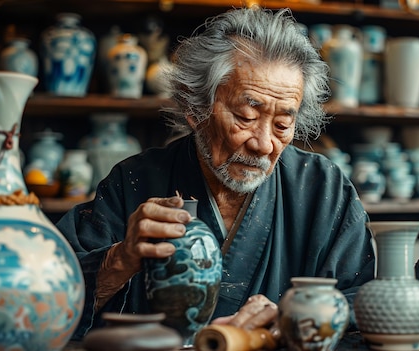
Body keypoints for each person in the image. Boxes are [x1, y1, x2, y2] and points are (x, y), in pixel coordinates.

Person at [57, 6, 375, 341]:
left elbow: (366, 301)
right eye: (246, 117)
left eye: (282, 124)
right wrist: (120, 259)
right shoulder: (133, 181)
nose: (264, 144)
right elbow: (50, 297)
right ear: (196, 109)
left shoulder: (323, 189)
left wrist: (296, 316)